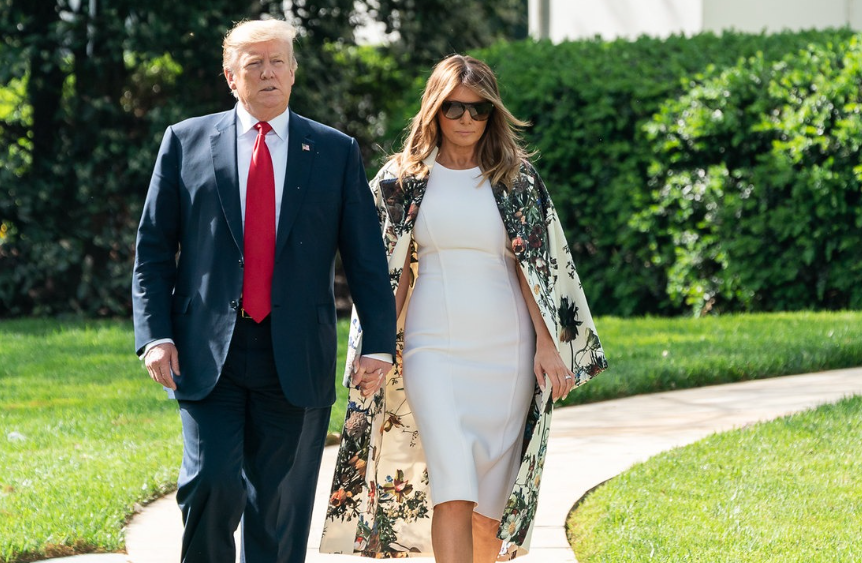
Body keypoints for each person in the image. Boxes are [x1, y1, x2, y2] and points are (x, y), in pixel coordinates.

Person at [319, 55, 608, 562]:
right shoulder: (400, 180)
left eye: (479, 110)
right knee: (451, 489)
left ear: (493, 114)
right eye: (454, 108)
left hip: (507, 350)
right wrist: (378, 349)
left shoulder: (515, 181)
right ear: (434, 109)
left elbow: (535, 271)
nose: (467, 120)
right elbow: (391, 271)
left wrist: (548, 346)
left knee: (489, 509)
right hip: (432, 348)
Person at [131, 18, 396, 563]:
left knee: (278, 508)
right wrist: (155, 335)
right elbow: (154, 250)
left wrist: (378, 343)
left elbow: (366, 256)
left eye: (278, 61)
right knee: (212, 481)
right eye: (255, 63)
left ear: (294, 72)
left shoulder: (334, 150)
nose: (268, 72)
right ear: (232, 77)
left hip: (296, 352)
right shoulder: (184, 141)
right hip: (208, 352)